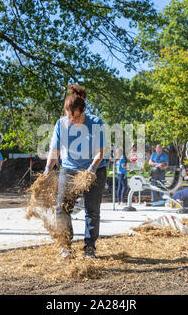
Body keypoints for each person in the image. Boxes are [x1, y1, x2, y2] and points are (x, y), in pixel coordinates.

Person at [44, 84, 107, 259]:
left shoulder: (96, 123)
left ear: (83, 110)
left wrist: (90, 171)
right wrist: (47, 170)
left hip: (95, 169)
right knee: (62, 208)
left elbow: (100, 153)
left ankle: (89, 248)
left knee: (92, 210)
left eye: (76, 117)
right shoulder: (61, 124)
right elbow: (54, 151)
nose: (72, 120)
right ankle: (65, 246)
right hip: (70, 169)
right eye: (68, 116)